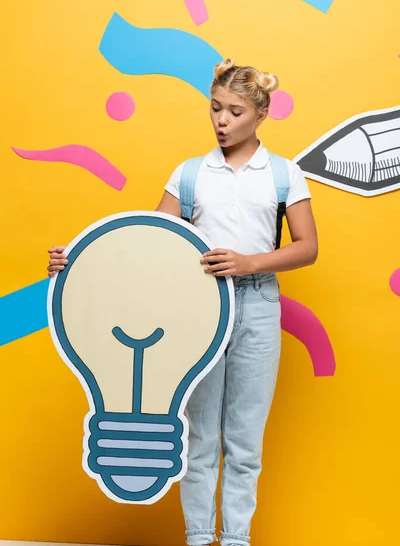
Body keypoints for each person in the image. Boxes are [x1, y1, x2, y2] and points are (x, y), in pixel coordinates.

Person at [47, 59, 318, 546]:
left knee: (244, 442)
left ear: (260, 114)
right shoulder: (191, 175)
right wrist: (78, 260)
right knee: (198, 436)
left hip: (257, 308)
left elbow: (307, 246)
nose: (221, 120)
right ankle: (198, 538)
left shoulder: (283, 174)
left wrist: (248, 263)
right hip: (197, 313)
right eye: (215, 109)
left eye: (234, 111)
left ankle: (235, 539)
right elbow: (146, 243)